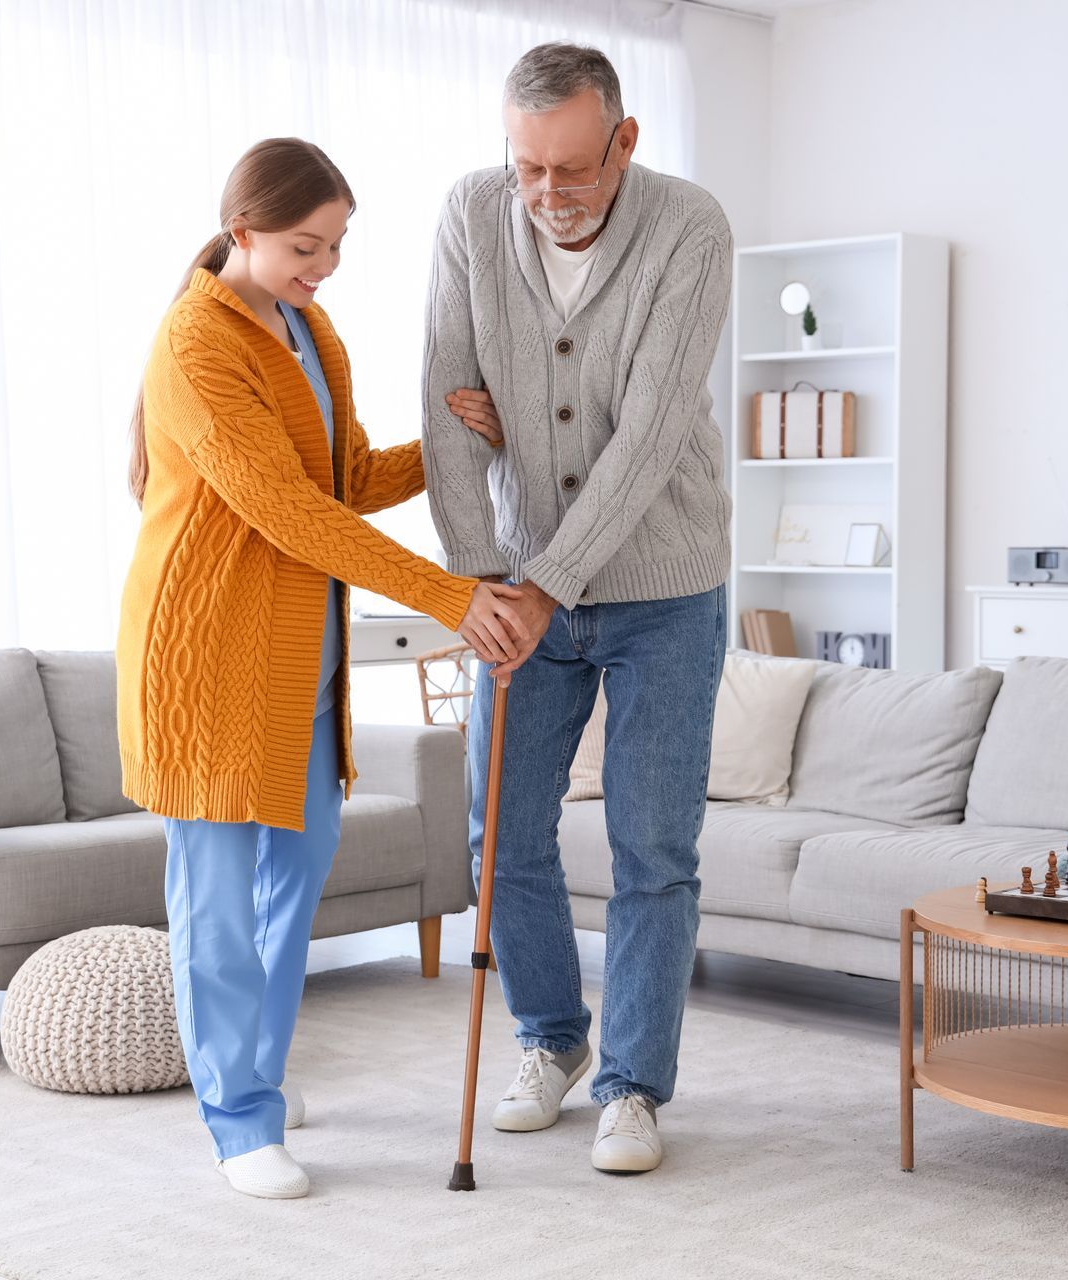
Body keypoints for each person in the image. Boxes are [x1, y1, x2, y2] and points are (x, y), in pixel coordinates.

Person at [116, 137, 523, 1200]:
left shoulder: (309, 326)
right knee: (214, 894)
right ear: (241, 230)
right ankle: (239, 1116)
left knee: (292, 882)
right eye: (306, 245)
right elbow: (290, 513)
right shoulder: (196, 345)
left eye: (337, 244)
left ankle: (257, 1070)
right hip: (207, 657)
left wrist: (453, 444)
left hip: (305, 659)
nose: (325, 265)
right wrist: (448, 596)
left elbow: (339, 477)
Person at [422, 43, 734, 1175]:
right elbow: (447, 411)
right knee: (498, 833)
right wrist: (476, 586)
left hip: (664, 583)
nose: (547, 195)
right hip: (513, 585)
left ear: (625, 142)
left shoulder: (691, 227)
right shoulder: (470, 214)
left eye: (571, 169)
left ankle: (632, 1085)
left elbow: (649, 434)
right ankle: (552, 1040)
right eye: (526, 169)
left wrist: (541, 583)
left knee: (654, 843)